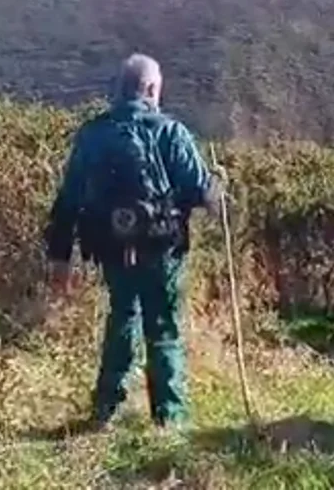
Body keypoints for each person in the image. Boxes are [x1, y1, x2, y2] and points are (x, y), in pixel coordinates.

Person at [45, 53, 225, 431]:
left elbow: (69, 199)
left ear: (121, 88)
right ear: (152, 88)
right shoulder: (170, 132)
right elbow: (201, 192)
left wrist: (60, 256)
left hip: (111, 246)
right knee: (163, 328)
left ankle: (106, 411)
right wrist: (217, 186)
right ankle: (169, 419)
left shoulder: (93, 134)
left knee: (123, 316)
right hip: (163, 249)